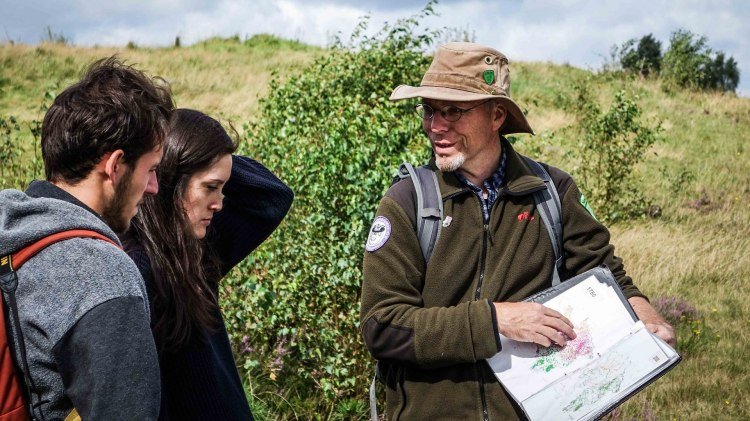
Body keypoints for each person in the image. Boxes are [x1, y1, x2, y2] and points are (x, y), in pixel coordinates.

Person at [360, 42, 675, 420]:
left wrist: (647, 317)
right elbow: (382, 327)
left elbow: (607, 275)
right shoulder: (409, 202)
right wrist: (495, 321)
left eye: (453, 111)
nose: (436, 126)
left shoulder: (552, 192)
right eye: (429, 110)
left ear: (496, 116)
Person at [0, 57, 172, 419]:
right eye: (151, 170)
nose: (154, 187)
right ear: (115, 166)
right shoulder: (102, 274)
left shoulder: (12, 234)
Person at [122, 108, 293, 420]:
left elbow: (272, 195)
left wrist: (208, 154)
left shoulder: (196, 249)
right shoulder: (138, 267)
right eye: (211, 187)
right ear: (172, 178)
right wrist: (174, 155)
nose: (219, 203)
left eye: (223, 188)